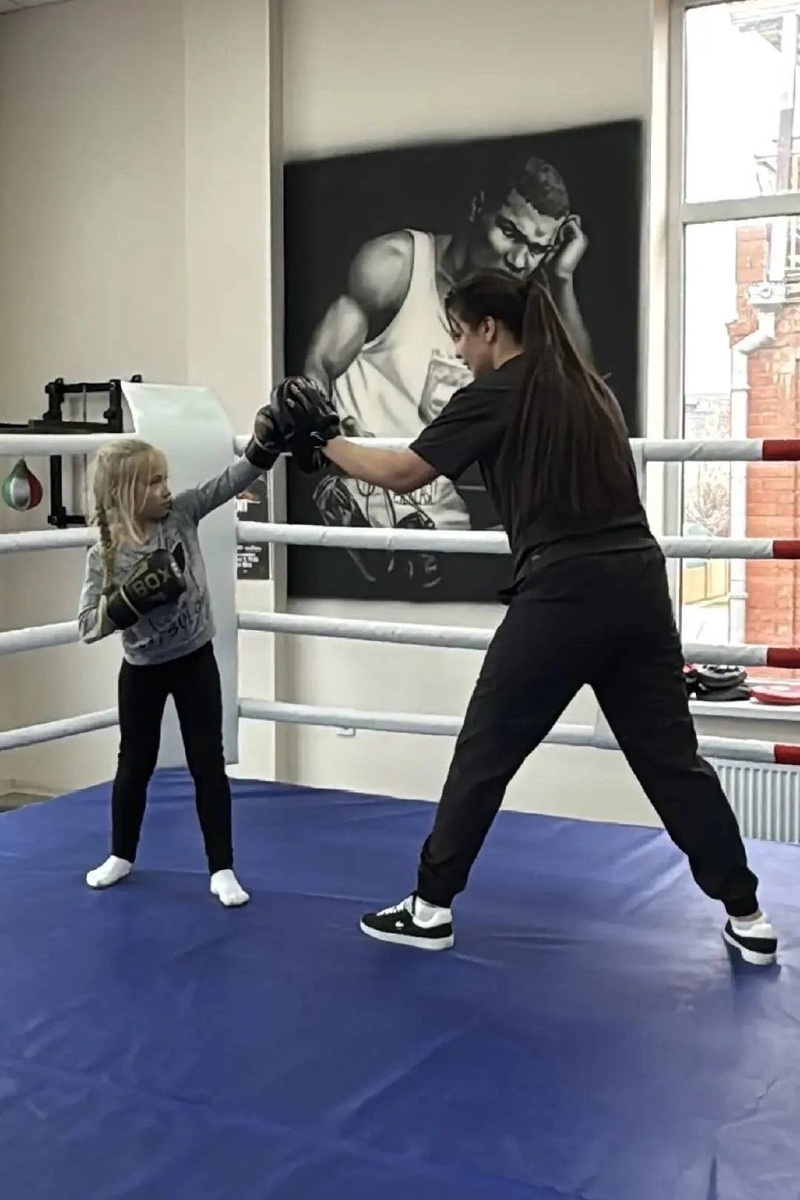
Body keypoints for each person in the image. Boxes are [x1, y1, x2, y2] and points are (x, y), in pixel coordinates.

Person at [276, 276, 779, 968]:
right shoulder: (585, 388)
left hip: (564, 592)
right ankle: (748, 916)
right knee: (672, 763)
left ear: (489, 328)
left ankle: (430, 908)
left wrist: (323, 439)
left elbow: (401, 473)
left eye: (460, 333)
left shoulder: (496, 392)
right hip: (639, 585)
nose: (458, 350)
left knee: (485, 751)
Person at [301, 155, 590, 587]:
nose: (518, 260)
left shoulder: (513, 308)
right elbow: (318, 367)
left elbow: (580, 386)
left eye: (537, 249)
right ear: (477, 207)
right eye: (510, 232)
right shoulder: (397, 264)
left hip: (437, 522)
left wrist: (562, 276)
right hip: (363, 485)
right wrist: (333, 447)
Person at [76, 407, 282, 906]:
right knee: (135, 763)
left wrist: (264, 447)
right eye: (154, 482)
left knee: (207, 761)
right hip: (141, 670)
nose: (166, 489)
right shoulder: (104, 554)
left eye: (165, 478)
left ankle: (222, 867)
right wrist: (127, 602)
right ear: (124, 493)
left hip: (194, 659)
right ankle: (121, 854)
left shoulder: (182, 514)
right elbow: (86, 627)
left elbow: (227, 484)